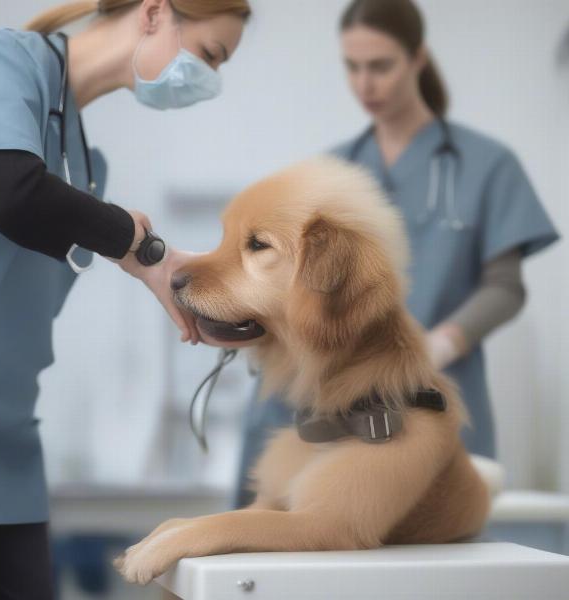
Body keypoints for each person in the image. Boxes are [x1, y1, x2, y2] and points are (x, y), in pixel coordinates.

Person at [0, 0, 251, 597]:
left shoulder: (86, 166)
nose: (211, 80)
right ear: (152, 13)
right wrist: (129, 240)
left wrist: (160, 269)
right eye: (209, 56)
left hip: (7, 437)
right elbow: (10, 192)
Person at [232, 0, 560, 509]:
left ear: (418, 58)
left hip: (429, 397)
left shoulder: (487, 165)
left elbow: (505, 286)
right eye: (353, 67)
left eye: (381, 66)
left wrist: (444, 343)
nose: (366, 84)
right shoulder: (332, 173)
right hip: (335, 408)